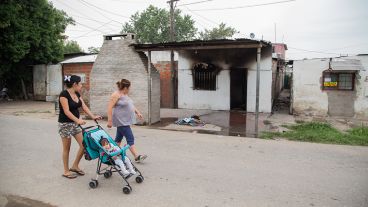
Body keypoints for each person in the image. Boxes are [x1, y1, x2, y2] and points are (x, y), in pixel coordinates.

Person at [58, 75, 101, 179]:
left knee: (84, 144)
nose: (81, 85)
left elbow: (84, 106)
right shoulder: (63, 95)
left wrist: (93, 116)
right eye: (80, 83)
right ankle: (66, 171)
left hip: (76, 124)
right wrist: (78, 120)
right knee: (66, 148)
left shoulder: (77, 93)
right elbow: (66, 111)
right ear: (74, 84)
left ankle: (75, 166)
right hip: (65, 124)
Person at [107, 79, 147, 163]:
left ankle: (113, 155)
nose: (129, 90)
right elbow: (109, 107)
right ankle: (136, 157)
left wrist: (138, 112)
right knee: (130, 138)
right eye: (129, 88)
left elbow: (130, 105)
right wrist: (109, 121)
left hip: (125, 121)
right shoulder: (116, 95)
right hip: (121, 120)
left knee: (118, 139)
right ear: (125, 87)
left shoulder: (124, 94)